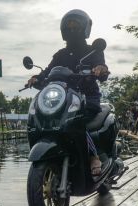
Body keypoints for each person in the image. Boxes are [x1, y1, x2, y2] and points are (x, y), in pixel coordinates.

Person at [26, 9, 109, 175]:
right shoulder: (60, 54)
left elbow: (102, 67)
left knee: (79, 120)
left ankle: (93, 155)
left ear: (85, 28)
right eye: (69, 26)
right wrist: (36, 78)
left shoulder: (94, 51)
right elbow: (48, 72)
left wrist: (101, 69)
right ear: (63, 30)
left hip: (87, 96)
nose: (72, 30)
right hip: (63, 98)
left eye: (75, 26)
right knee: (39, 116)